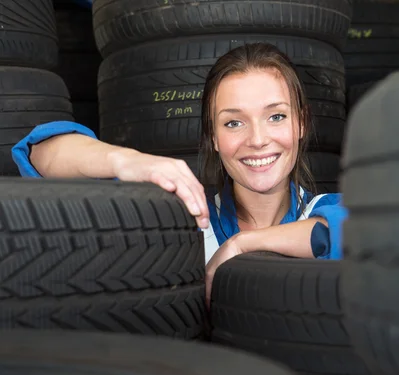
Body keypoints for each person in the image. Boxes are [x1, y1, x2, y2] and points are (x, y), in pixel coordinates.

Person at [12, 42, 347, 306]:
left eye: (276, 117)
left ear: (301, 123)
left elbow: (362, 230)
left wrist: (245, 244)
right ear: (214, 137)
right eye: (234, 122)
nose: (257, 140)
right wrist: (127, 161)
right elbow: (40, 152)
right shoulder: (182, 218)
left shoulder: (327, 210)